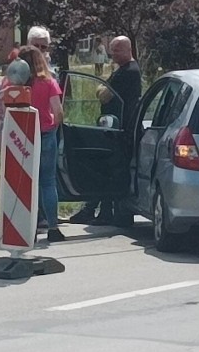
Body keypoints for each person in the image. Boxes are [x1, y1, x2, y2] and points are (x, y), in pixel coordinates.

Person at [69, 36, 142, 225]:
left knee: (107, 169)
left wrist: (103, 86)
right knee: (105, 168)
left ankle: (100, 211)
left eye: (117, 50)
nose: (113, 54)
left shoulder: (128, 72)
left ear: (128, 49)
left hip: (120, 129)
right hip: (113, 127)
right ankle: (99, 210)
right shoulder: (122, 71)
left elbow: (103, 95)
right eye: (112, 50)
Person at [18, 44, 66, 243]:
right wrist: (52, 126)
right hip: (45, 134)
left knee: (26, 182)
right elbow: (58, 111)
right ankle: (53, 227)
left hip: (22, 134)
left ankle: (29, 225)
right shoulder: (49, 82)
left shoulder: (16, 85)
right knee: (47, 181)